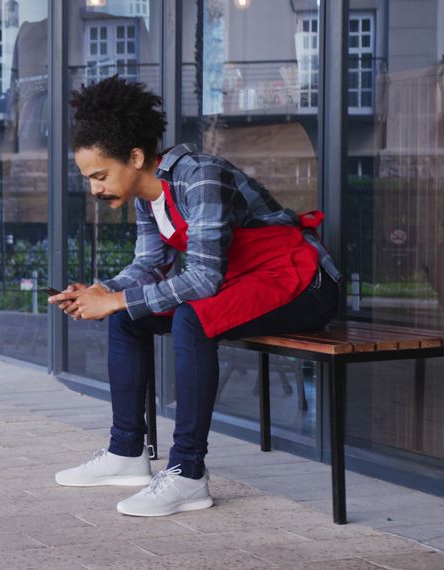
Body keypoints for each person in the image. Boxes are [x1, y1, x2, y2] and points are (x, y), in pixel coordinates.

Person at [49, 76, 340, 517]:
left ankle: (188, 475)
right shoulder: (149, 199)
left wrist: (117, 299)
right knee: (127, 317)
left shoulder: (199, 175)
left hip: (303, 282)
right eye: (89, 178)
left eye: (100, 175)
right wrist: (104, 291)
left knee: (190, 317)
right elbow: (149, 266)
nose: (94, 188)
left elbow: (203, 280)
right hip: (241, 284)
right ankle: (127, 452)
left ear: (135, 157)